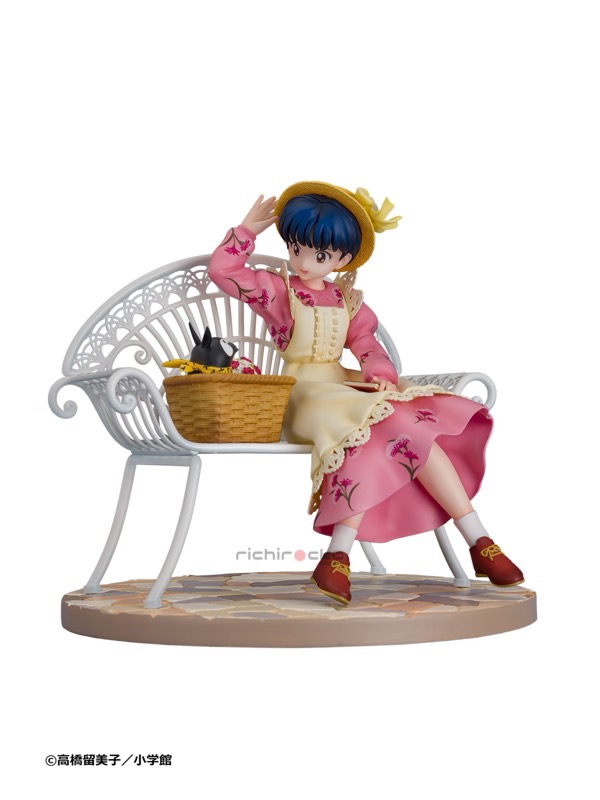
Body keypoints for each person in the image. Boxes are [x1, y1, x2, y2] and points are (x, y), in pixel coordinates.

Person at [208, 181, 524, 604]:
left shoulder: (347, 300)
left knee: (407, 425)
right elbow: (223, 272)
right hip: (302, 394)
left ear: (343, 259)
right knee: (367, 425)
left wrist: (378, 370)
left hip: (343, 385)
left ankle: (477, 541)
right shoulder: (277, 290)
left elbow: (367, 344)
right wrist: (246, 231)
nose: (304, 262)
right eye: (296, 248)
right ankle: (343, 554)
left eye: (320, 255)